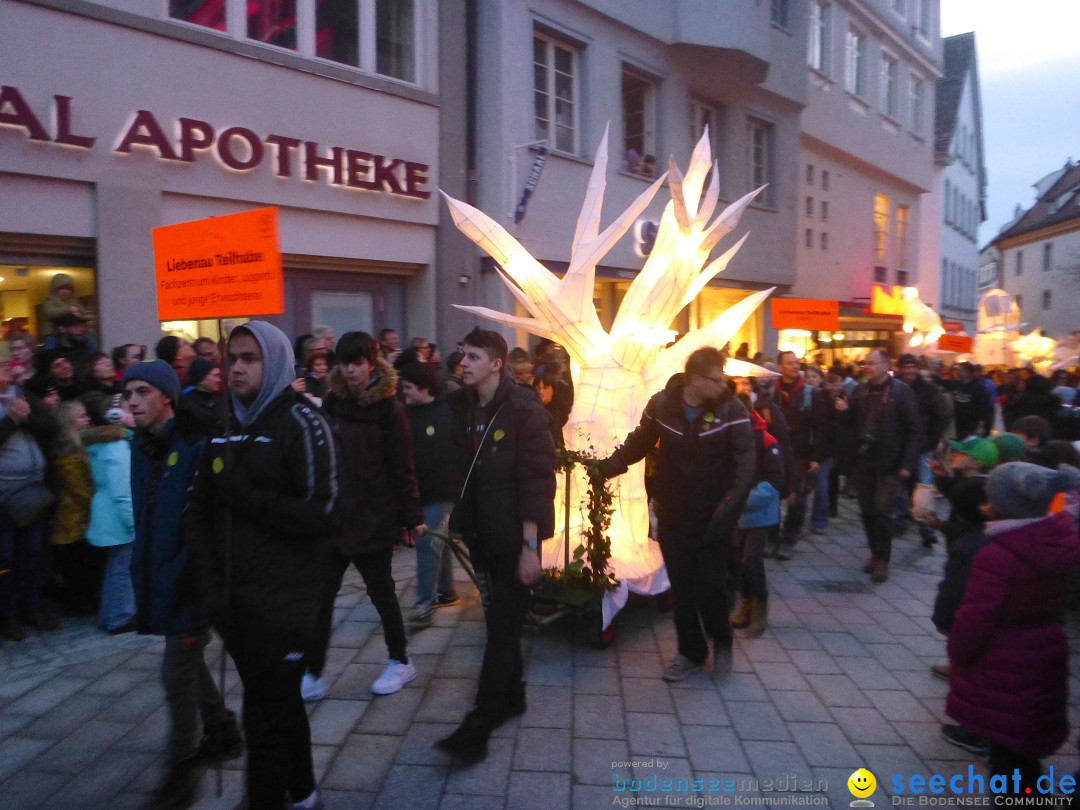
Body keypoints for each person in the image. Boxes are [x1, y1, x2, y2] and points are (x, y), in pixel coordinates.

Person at [183, 322, 338, 809]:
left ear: (273, 362)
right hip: (236, 603)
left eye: (250, 358)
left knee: (263, 717)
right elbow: (198, 516)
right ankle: (304, 789)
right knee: (279, 703)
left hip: (287, 602)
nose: (238, 368)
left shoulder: (304, 424)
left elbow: (321, 514)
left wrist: (247, 498)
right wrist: (211, 592)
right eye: (233, 358)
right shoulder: (221, 429)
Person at [125, 359, 243, 809]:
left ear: (166, 398)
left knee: (175, 672)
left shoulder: (195, 446)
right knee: (188, 663)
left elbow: (209, 519)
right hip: (161, 575)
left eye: (141, 392)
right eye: (127, 393)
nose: (131, 401)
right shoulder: (142, 446)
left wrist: (200, 571)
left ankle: (182, 766)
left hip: (193, 578)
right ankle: (223, 731)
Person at [597, 347, 755, 680]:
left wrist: (727, 513)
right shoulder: (662, 405)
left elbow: (744, 466)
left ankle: (721, 642)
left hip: (714, 518)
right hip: (673, 513)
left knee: (711, 588)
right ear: (695, 379)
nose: (723, 384)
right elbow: (639, 442)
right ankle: (690, 652)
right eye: (716, 378)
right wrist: (606, 468)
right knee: (682, 588)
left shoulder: (732, 409)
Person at [436, 328, 556, 765]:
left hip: (514, 541)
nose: (462, 363)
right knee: (499, 622)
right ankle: (514, 696)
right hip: (482, 534)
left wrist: (530, 547)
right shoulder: (464, 405)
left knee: (503, 632)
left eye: (472, 357)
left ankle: (479, 725)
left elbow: (537, 482)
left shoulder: (524, 409)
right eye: (461, 354)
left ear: (496, 364)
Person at [946, 462, 1080, 794]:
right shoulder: (1059, 542)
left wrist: (957, 651)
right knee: (1020, 748)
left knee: (1007, 758)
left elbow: (976, 619)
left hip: (1002, 661)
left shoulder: (999, 556)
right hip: (1045, 650)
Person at [303, 331, 423, 702]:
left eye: (358, 362)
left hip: (374, 515)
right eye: (345, 362)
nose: (351, 370)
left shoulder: (390, 409)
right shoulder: (333, 403)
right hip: (336, 516)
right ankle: (313, 670)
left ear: (373, 363)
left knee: (381, 592)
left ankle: (400, 660)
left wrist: (412, 516)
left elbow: (402, 467)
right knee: (322, 596)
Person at [849, 349, 923, 583]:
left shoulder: (901, 392)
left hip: (890, 462)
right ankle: (874, 552)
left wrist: (907, 463)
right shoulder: (860, 390)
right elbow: (850, 423)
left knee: (882, 511)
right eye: (865, 364)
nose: (867, 367)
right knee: (867, 510)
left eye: (871, 363)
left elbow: (914, 430)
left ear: (885, 365)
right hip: (864, 459)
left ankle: (883, 559)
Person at [0, 363, 59, 641]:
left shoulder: (22, 395)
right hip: (4, 495)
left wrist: (25, 416)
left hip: (33, 491)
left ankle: (31, 607)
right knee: (6, 558)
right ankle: (8, 616)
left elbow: (51, 425)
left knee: (33, 554)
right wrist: (11, 420)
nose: (7, 373)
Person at [399, 362, 460, 629]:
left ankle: (424, 605)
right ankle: (446, 590)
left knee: (427, 544)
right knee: (439, 541)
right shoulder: (405, 414)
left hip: (443, 491)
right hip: (419, 492)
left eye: (408, 388)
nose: (404, 393)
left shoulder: (446, 411)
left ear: (425, 389)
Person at [730, 405, 784, 637]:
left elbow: (774, 480)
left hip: (759, 514)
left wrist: (742, 499)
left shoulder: (766, 440)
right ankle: (746, 602)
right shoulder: (729, 439)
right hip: (735, 514)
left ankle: (760, 606)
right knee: (737, 562)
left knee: (751, 560)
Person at [83, 400, 136, 634]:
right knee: (122, 568)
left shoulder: (103, 444)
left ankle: (109, 614)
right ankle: (119, 616)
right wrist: (133, 523)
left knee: (116, 566)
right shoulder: (117, 447)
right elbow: (122, 491)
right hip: (117, 517)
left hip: (107, 513)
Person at [897, 354, 951, 547]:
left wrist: (932, 439)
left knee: (924, 488)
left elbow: (944, 415)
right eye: (905, 367)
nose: (909, 371)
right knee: (901, 487)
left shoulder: (928, 390)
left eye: (912, 367)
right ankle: (901, 519)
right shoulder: (895, 387)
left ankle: (926, 528)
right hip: (900, 446)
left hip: (922, 447)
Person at [49, 401, 98, 617]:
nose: (87, 420)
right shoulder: (69, 453)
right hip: (72, 519)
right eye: (82, 416)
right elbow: (79, 487)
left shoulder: (77, 447)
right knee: (76, 563)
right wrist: (95, 499)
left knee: (79, 563)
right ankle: (78, 602)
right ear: (69, 423)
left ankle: (80, 600)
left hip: (74, 517)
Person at [775, 351, 814, 556]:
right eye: (789, 363)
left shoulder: (808, 392)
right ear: (780, 366)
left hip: (800, 452)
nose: (794, 366)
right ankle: (771, 536)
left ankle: (789, 538)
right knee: (772, 493)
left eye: (796, 363)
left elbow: (818, 425)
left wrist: (816, 455)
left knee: (797, 496)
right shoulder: (772, 392)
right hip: (775, 450)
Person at [178, 357, 225, 438]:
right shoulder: (187, 405)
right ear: (202, 378)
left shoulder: (219, 399)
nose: (219, 380)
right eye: (215, 376)